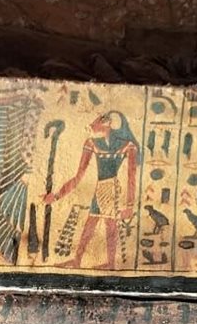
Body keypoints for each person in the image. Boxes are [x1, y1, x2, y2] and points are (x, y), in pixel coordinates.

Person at [44, 111, 139, 269]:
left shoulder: (128, 146)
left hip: (111, 189)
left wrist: (129, 205)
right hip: (101, 188)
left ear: (107, 124)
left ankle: (109, 263)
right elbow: (78, 176)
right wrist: (56, 196)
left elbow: (131, 176)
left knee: (109, 224)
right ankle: (78, 260)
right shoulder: (91, 143)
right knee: (91, 223)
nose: (93, 125)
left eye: (98, 121)